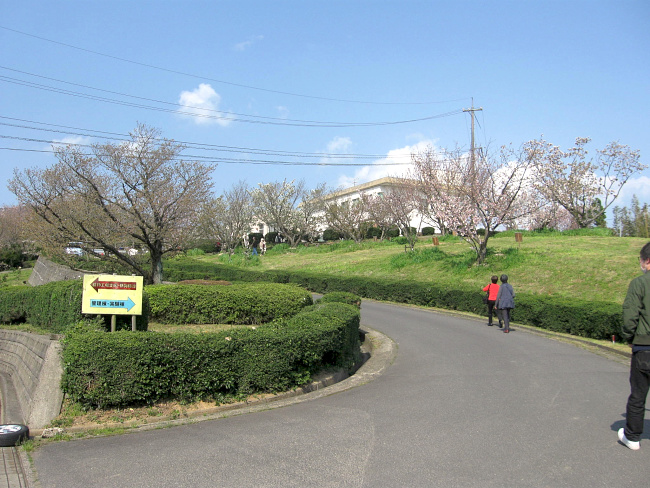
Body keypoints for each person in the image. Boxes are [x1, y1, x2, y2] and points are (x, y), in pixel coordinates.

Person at [618, 242, 650, 450]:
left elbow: (630, 316)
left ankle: (632, 437)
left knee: (638, 394)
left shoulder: (640, 284)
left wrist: (630, 337)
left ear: (647, 261)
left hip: (644, 346)